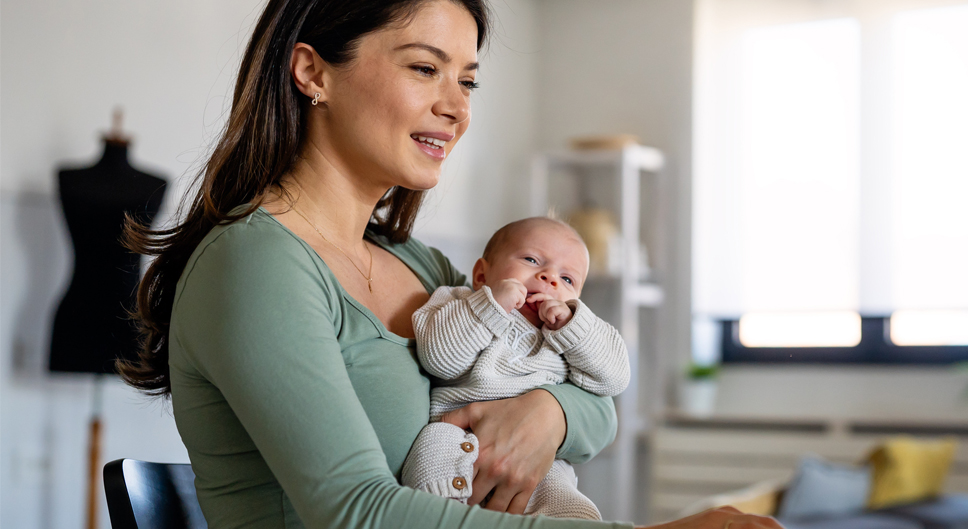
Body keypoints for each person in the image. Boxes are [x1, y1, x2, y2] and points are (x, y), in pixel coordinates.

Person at [118, 0, 781, 528]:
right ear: (312, 71)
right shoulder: (256, 263)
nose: (458, 107)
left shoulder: (422, 266)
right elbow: (356, 513)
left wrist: (545, 409)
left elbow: (599, 405)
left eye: (466, 79)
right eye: (424, 68)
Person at [402, 217, 629, 519]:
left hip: (540, 467)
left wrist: (574, 327)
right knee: (431, 449)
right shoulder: (460, 301)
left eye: (568, 280)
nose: (550, 278)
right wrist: (490, 305)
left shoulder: (568, 339)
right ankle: (446, 512)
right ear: (482, 274)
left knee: (571, 506)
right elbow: (439, 359)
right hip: (457, 436)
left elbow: (615, 379)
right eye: (532, 260)